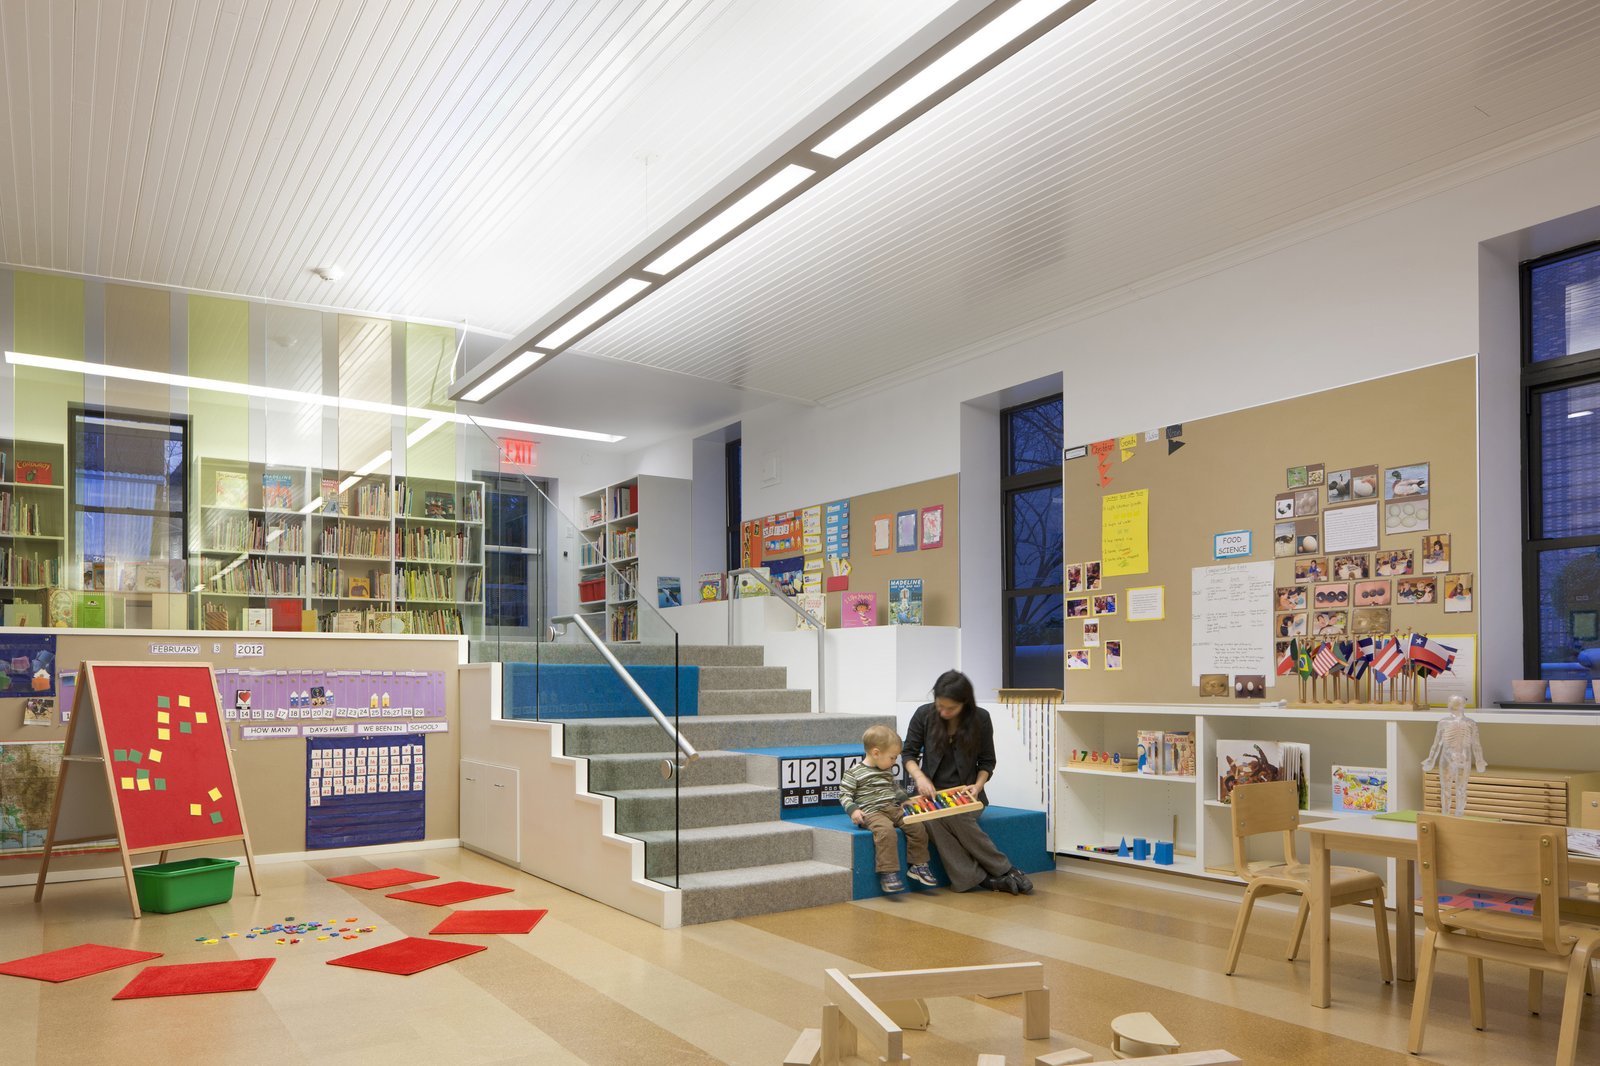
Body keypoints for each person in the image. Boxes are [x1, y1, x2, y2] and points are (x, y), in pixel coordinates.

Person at [902, 670, 1034, 895]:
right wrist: (920, 777)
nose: (943, 712)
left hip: (967, 798)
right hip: (931, 797)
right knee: (931, 820)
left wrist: (978, 785)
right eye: (939, 706)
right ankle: (988, 876)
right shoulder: (923, 715)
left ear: (965, 703)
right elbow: (909, 754)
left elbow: (987, 762)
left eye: (950, 708)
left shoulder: (980, 719)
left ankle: (1001, 869)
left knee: (953, 813)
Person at [838, 725, 935, 893]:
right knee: (886, 831)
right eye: (892, 757)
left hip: (892, 808)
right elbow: (844, 794)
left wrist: (904, 799)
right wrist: (853, 810)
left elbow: (894, 787)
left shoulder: (886, 770)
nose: (894, 761)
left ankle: (918, 866)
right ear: (876, 753)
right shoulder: (854, 773)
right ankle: (888, 872)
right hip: (871, 812)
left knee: (916, 824)